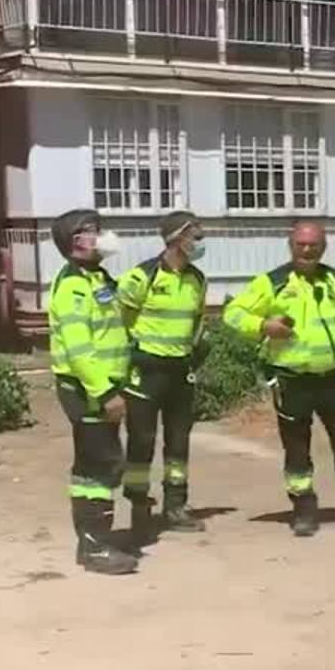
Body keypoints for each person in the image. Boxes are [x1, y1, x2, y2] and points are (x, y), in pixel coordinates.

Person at [223, 220, 335, 536]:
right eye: (301, 244)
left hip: (334, 377)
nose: (308, 250)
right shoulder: (273, 282)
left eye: (314, 244)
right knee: (296, 447)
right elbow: (233, 313)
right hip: (293, 380)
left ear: (324, 246)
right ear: (291, 246)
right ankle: (304, 509)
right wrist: (264, 326)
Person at [46, 209, 139, 576]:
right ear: (74, 242)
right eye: (92, 231)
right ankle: (94, 546)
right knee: (98, 465)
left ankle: (95, 540)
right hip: (87, 391)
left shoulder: (98, 278)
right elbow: (79, 349)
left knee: (100, 463)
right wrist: (104, 393)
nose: (101, 236)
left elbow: (114, 329)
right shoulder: (71, 285)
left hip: (106, 387)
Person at [116, 212, 209, 543]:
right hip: (146, 370)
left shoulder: (197, 278)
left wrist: (197, 351)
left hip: (180, 372)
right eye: (195, 236)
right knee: (141, 441)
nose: (200, 242)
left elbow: (198, 319)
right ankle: (139, 507)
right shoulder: (143, 276)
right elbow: (118, 319)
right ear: (175, 238)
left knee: (179, 442)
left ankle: (175, 506)